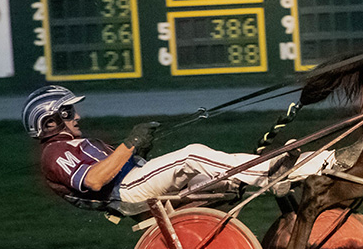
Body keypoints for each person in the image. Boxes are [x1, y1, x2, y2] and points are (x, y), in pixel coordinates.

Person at [22, 85, 333, 211]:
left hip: (136, 181)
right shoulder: (55, 153)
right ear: (50, 122)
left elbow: (117, 165)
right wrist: (130, 144)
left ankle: (315, 164)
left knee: (225, 178)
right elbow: (93, 181)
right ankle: (277, 169)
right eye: (67, 113)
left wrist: (139, 149)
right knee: (192, 154)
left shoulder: (76, 143)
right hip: (128, 193)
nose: (77, 116)